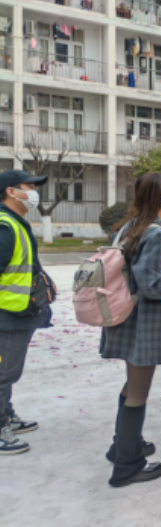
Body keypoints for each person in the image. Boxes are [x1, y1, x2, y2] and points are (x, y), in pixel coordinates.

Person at [100, 172, 161, 487]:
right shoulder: (154, 233)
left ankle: (123, 445)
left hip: (124, 317)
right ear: (160, 197)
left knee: (131, 387)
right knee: (138, 392)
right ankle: (128, 465)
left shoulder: (127, 227)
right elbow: (154, 286)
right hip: (143, 322)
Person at [0, 170, 53, 455]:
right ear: (11, 191)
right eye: (29, 186)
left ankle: (6, 415)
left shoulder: (15, 223)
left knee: (7, 372)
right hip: (8, 314)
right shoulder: (4, 226)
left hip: (19, 311)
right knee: (3, 374)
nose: (34, 192)